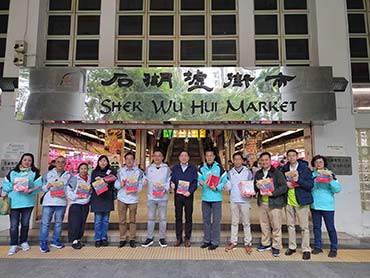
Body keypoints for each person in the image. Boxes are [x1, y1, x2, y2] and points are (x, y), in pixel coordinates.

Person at [2, 153, 42, 256]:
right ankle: (13, 244)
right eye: (25, 160)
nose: (27, 162)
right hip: (14, 203)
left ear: (32, 162)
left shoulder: (34, 173)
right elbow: (5, 185)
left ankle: (23, 241)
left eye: (29, 160)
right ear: (21, 161)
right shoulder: (13, 172)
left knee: (25, 224)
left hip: (27, 203)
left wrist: (31, 190)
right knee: (14, 225)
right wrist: (13, 185)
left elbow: (39, 186)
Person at [254, 152, 287, 257]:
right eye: (262, 160)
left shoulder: (277, 172)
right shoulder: (258, 173)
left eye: (266, 160)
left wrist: (272, 193)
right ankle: (266, 243)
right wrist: (256, 187)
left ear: (270, 161)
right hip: (262, 202)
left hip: (274, 203)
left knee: (276, 225)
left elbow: (283, 187)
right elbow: (254, 188)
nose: (264, 162)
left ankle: (276, 246)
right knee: (264, 225)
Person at [282, 149, 314, 260]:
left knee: (304, 226)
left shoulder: (305, 169)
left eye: (293, 155)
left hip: (302, 201)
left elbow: (310, 185)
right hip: (289, 201)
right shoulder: (284, 169)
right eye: (289, 156)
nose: (291, 158)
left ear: (297, 156)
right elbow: (281, 183)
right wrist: (286, 185)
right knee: (290, 225)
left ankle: (306, 248)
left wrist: (298, 180)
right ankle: (292, 246)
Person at [311, 155, 341, 258]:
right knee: (316, 227)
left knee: (330, 227)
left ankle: (334, 248)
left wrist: (331, 180)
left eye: (320, 162)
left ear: (324, 163)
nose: (318, 164)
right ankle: (317, 246)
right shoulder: (312, 175)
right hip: (315, 205)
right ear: (314, 164)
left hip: (328, 206)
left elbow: (337, 189)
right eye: (316, 162)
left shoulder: (330, 174)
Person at [39, 155, 72, 253]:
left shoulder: (68, 175)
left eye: (62, 162)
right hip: (49, 201)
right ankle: (43, 242)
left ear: (65, 164)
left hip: (61, 202)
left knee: (58, 223)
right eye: (58, 162)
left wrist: (66, 195)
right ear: (54, 163)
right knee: (45, 223)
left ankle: (55, 241)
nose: (60, 164)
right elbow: (42, 187)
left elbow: (71, 188)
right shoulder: (48, 174)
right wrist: (47, 186)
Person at [224, 152, 253, 254]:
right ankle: (233, 242)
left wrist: (250, 193)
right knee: (234, 222)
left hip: (245, 200)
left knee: (246, 222)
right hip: (234, 200)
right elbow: (228, 185)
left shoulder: (248, 172)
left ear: (242, 161)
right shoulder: (230, 173)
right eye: (235, 159)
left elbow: (251, 184)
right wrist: (225, 186)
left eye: (239, 159)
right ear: (233, 161)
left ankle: (248, 243)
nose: (237, 161)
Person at [198, 148, 227, 250]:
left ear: (214, 157)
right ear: (205, 157)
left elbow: (225, 181)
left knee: (216, 221)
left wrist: (217, 187)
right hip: (205, 198)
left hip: (216, 198)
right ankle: (207, 240)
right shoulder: (202, 168)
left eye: (211, 155)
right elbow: (198, 180)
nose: (209, 157)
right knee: (206, 220)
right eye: (207, 156)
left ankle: (215, 241)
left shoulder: (219, 168)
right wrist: (199, 183)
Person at [142, 149, 171, 248]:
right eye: (155, 156)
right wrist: (144, 181)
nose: (157, 158)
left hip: (163, 197)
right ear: (153, 157)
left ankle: (162, 238)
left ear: (162, 158)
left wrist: (165, 189)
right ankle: (150, 237)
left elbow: (169, 180)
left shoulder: (166, 169)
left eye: (159, 156)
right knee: (150, 218)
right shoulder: (149, 168)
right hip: (151, 197)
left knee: (162, 218)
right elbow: (144, 177)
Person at [115, 152, 144, 248]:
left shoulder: (139, 172)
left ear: (134, 160)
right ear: (125, 160)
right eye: (127, 159)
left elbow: (141, 183)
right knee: (122, 220)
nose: (129, 161)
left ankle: (132, 238)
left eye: (131, 159)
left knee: (132, 220)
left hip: (133, 199)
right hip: (122, 198)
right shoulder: (120, 171)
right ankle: (122, 238)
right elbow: (116, 184)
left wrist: (136, 189)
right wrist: (121, 185)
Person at [170, 150, 198, 247]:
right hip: (178, 196)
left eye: (186, 155)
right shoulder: (175, 168)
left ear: (188, 158)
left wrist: (190, 191)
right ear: (179, 158)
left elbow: (195, 182)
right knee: (178, 217)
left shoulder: (193, 168)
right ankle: (178, 238)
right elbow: (172, 179)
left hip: (188, 196)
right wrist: (172, 184)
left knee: (188, 217)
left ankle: (187, 238)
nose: (184, 157)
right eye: (182, 155)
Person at [90, 155, 116, 247]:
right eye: (101, 161)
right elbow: (91, 185)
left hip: (107, 197)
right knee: (98, 220)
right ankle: (97, 238)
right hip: (97, 198)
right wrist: (97, 182)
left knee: (105, 220)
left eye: (105, 161)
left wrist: (104, 180)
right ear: (98, 162)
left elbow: (114, 181)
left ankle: (104, 238)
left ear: (107, 162)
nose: (103, 163)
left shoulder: (111, 171)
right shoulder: (94, 172)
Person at [66, 163, 91, 249]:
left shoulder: (89, 179)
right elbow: (68, 191)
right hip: (76, 203)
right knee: (75, 223)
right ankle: (74, 240)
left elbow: (91, 191)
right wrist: (76, 196)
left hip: (85, 204)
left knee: (82, 223)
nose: (84, 170)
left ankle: (78, 239)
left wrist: (89, 196)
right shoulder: (74, 179)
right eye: (82, 169)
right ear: (79, 170)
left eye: (85, 169)